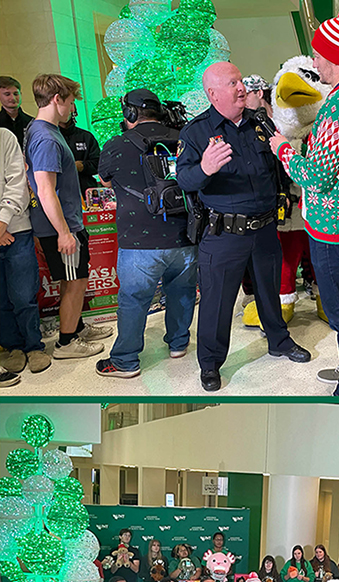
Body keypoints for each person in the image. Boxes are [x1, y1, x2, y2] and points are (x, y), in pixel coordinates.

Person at [176, 62, 311, 393]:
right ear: (213, 93)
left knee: (271, 292)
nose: (242, 87)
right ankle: (210, 364)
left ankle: (279, 341)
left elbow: (277, 168)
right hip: (224, 235)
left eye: (241, 81)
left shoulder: (261, 123)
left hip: (265, 229)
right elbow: (183, 178)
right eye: (233, 83)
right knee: (217, 303)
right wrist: (205, 168)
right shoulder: (195, 133)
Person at [269, 6, 339, 397]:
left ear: (334, 57)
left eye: (318, 54)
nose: (315, 61)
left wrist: (284, 150)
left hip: (334, 225)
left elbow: (315, 175)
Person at [96, 89, 198, 380]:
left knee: (133, 300)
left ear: (129, 114)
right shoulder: (183, 136)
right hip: (185, 237)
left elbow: (105, 179)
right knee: (182, 292)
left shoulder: (116, 144)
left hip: (138, 243)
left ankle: (126, 361)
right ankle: (178, 344)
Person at [24, 74, 111, 361]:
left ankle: (74, 327)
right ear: (57, 99)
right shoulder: (46, 137)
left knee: (72, 279)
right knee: (75, 281)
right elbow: (46, 190)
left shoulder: (42, 131)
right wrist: (64, 232)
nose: (73, 108)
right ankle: (66, 343)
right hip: (60, 227)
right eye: (71, 101)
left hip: (62, 223)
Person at [0, 127, 49, 384]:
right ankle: (13, 347)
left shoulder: (5, 137)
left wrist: (2, 223)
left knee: (22, 295)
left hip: (16, 229)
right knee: (1, 299)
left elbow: (17, 182)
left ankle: (34, 347)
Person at [58, 111, 99, 200]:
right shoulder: (50, 138)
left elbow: (98, 163)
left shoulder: (86, 136)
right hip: (60, 192)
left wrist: (82, 166)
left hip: (85, 191)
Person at [0, 76, 34, 147]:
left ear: (21, 94)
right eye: (7, 94)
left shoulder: (31, 122)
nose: (13, 98)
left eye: (16, 94)